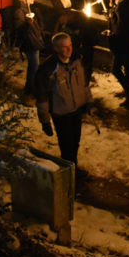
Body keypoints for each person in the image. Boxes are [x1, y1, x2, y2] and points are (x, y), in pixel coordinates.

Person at [34, 33, 95, 178]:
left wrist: (89, 102)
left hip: (76, 110)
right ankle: (69, 175)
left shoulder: (77, 62)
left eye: (70, 46)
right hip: (61, 113)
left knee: (75, 142)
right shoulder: (48, 69)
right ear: (56, 48)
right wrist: (45, 120)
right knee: (67, 146)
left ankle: (72, 169)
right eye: (64, 47)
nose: (69, 50)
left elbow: (83, 84)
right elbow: (42, 97)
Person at [51, 0, 94, 78]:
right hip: (65, 22)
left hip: (75, 20)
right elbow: (58, 9)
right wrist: (71, 12)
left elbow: (77, 3)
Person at [14, 0, 44, 96]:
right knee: (34, 67)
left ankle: (30, 87)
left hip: (35, 42)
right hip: (29, 43)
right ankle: (30, 90)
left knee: (35, 66)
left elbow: (39, 27)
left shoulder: (34, 10)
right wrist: (27, 24)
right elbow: (20, 29)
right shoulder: (20, 12)